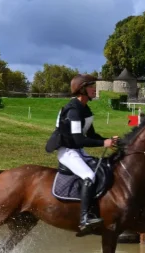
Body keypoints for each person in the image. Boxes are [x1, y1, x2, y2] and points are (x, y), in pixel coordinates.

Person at [45, 74, 119, 235]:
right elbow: (78, 139)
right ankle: (85, 218)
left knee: (103, 169)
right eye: (92, 86)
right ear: (82, 89)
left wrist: (109, 140)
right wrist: (102, 143)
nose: (95, 89)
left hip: (78, 151)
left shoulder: (85, 108)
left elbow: (91, 135)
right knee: (89, 176)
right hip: (68, 152)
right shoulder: (73, 110)